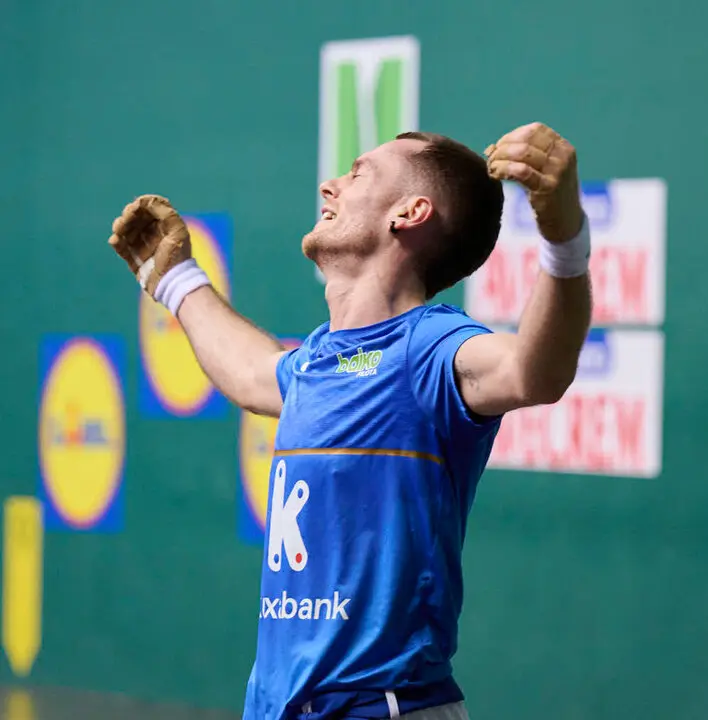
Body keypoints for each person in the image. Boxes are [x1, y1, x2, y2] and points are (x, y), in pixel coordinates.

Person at [107, 123, 593, 720]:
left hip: (380, 707)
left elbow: (531, 372)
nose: (329, 185)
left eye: (358, 173)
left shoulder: (428, 349)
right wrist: (176, 278)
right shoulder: (314, 362)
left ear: (410, 212)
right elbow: (254, 373)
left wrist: (564, 238)